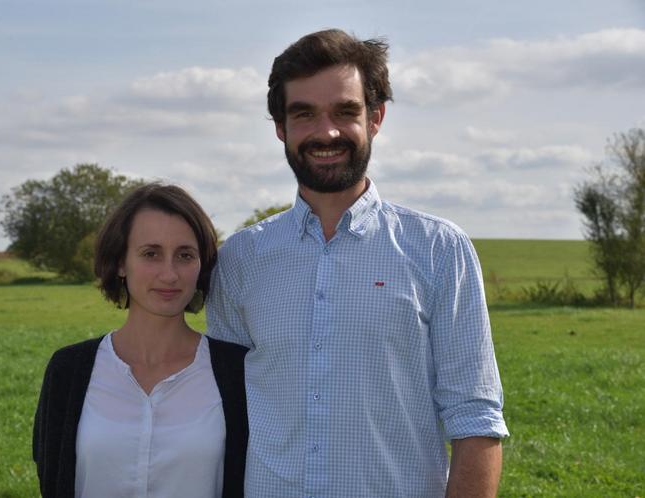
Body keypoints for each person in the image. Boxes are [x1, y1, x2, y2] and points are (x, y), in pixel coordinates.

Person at [207, 29, 509, 497]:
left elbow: (475, 418)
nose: (325, 132)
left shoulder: (439, 249)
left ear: (376, 117)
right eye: (303, 113)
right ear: (280, 128)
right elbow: (222, 416)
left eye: (345, 111)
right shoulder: (241, 259)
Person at [33, 183, 248, 498]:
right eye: (151, 254)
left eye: (185, 255)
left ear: (201, 265)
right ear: (121, 262)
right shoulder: (68, 371)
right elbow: (51, 478)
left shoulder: (237, 371)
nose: (170, 274)